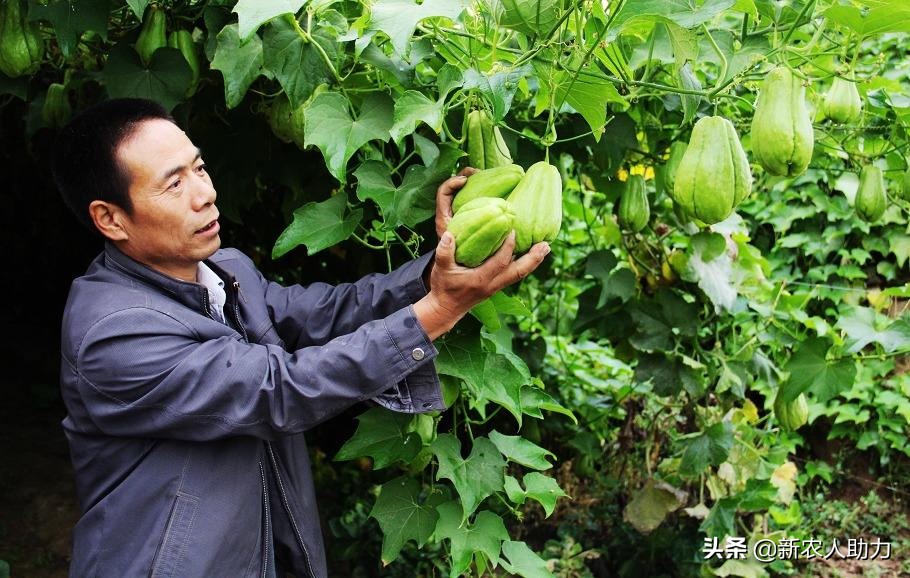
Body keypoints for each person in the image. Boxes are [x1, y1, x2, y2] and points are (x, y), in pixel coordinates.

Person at [52, 98, 549, 578]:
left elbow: (328, 313)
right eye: (173, 183)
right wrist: (439, 310)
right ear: (110, 218)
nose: (205, 193)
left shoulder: (225, 270)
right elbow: (278, 391)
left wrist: (445, 263)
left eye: (199, 169)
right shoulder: (112, 334)